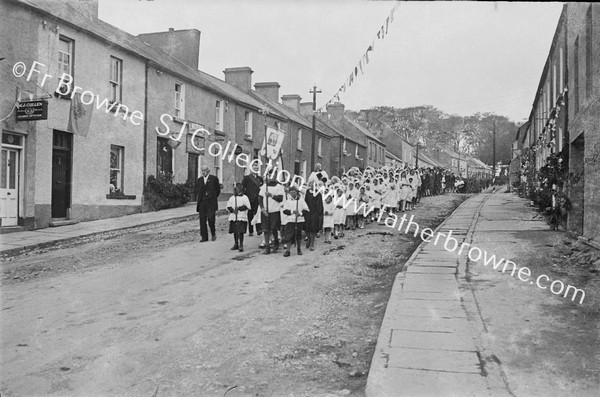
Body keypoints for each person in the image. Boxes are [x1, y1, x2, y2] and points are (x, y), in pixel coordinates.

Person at [259, 171, 285, 254]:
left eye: (274, 175)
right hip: (265, 211)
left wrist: (271, 195)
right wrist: (262, 209)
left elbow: (280, 199)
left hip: (275, 211)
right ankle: (267, 247)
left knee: (274, 229)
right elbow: (260, 198)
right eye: (270, 175)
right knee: (266, 230)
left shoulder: (279, 187)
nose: (272, 177)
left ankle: (276, 243)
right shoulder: (264, 187)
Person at [281, 186, 309, 257]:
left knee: (298, 235)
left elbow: (306, 209)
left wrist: (300, 213)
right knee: (289, 236)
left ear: (296, 192)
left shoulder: (301, 200)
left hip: (299, 220)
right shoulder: (288, 201)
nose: (292, 194)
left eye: (294, 192)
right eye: (291, 193)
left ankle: (299, 249)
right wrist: (292, 211)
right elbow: (284, 210)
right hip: (290, 220)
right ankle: (288, 250)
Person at [196, 166, 221, 242]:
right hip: (202, 203)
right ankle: (204, 237)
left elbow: (218, 191)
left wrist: (212, 197)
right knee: (202, 220)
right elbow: (198, 191)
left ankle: (213, 234)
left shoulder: (214, 179)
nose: (203, 172)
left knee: (211, 219)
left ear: (208, 171)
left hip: (211, 203)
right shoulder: (199, 180)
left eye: (205, 170)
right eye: (202, 170)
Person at [226, 183, 250, 252]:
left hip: (241, 216)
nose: (234, 191)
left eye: (236, 189)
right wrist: (233, 210)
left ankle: (241, 244)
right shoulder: (232, 198)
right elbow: (228, 206)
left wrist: (239, 208)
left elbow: (247, 206)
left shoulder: (244, 197)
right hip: (234, 216)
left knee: (240, 231)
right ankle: (236, 243)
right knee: (235, 230)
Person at [242, 164, 264, 236]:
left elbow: (262, 188)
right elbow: (243, 188)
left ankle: (259, 229)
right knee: (250, 214)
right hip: (250, 198)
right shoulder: (247, 178)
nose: (255, 170)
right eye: (254, 168)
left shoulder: (260, 179)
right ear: (251, 169)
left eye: (257, 169)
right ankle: (251, 231)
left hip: (258, 198)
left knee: (258, 214)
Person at [304, 181, 323, 251]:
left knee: (313, 229)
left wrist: (318, 214)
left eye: (313, 185)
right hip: (307, 212)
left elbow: (319, 205)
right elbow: (305, 201)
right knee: (306, 228)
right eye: (311, 185)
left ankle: (312, 244)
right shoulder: (307, 192)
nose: (312, 186)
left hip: (315, 213)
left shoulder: (318, 194)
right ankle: (309, 239)